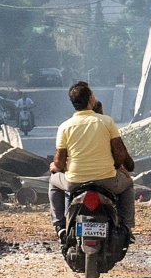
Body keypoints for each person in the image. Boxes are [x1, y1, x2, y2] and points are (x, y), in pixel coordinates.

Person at [50, 81, 135, 244]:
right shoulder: (106, 121)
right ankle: (126, 226)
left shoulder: (65, 127)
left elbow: (60, 163)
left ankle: (60, 226)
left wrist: (55, 167)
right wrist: (118, 168)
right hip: (107, 181)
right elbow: (119, 154)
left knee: (53, 183)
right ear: (91, 99)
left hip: (75, 182)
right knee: (128, 184)